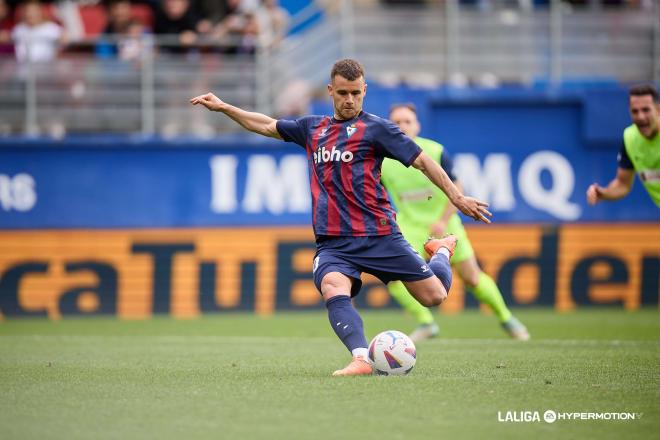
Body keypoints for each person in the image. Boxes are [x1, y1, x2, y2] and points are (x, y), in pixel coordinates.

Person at [191, 59, 492, 376]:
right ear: (331, 91)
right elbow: (266, 125)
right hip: (334, 241)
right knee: (333, 286)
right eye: (343, 93)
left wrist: (456, 197)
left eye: (356, 94)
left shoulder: (378, 129)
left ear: (364, 91)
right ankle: (361, 358)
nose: (350, 100)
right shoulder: (312, 128)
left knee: (435, 297)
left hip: (380, 235)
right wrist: (225, 107)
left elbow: (423, 162)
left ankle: (441, 249)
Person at [381, 103, 530, 342]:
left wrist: (442, 220)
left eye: (407, 121)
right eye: (396, 122)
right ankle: (426, 323)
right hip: (410, 227)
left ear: (417, 125)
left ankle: (506, 318)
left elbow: (457, 188)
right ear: (389, 126)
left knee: (471, 278)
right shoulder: (383, 160)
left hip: (445, 224)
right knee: (393, 277)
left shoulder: (434, 151)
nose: (402, 126)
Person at [587, 84, 660, 207]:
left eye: (646, 110)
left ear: (658, 110)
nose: (641, 117)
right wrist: (603, 194)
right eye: (635, 111)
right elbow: (622, 184)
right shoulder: (630, 138)